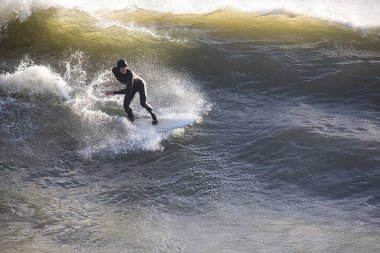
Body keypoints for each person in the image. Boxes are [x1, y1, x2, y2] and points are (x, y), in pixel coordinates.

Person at [105, 60, 158, 125]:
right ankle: (132, 118)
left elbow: (128, 90)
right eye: (122, 67)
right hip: (132, 87)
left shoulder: (130, 74)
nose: (124, 69)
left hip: (140, 85)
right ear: (118, 68)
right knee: (126, 106)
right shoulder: (114, 70)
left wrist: (113, 92)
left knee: (143, 103)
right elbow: (109, 73)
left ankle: (154, 117)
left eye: (125, 67)